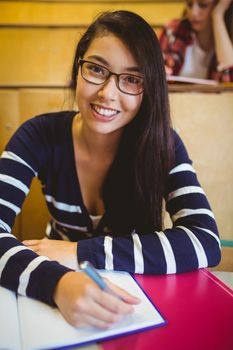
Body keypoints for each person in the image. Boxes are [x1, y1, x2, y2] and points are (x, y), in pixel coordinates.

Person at [0, 10, 221, 328]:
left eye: (132, 79)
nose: (107, 93)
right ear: (78, 70)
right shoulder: (37, 135)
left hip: (137, 300)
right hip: (52, 282)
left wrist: (79, 252)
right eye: (96, 69)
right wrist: (57, 284)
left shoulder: (163, 145)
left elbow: (205, 241)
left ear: (149, 89)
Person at [159, 0, 233, 82]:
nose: (193, 13)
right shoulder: (173, 30)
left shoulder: (229, 38)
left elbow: (230, 81)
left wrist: (218, 14)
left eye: (203, 5)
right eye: (189, 4)